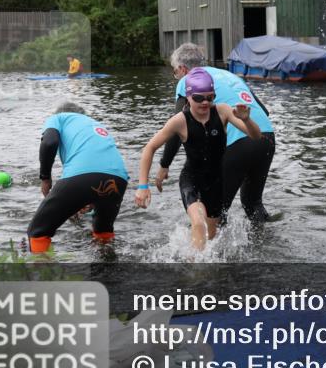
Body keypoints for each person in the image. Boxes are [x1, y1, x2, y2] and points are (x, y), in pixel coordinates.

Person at [135, 68, 263, 251]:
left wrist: (247, 120)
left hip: (216, 182)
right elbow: (150, 148)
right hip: (191, 179)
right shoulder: (179, 120)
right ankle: (196, 273)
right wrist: (142, 186)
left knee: (211, 238)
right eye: (199, 98)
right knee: (198, 222)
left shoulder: (223, 111)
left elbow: (256, 136)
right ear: (188, 97)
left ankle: (201, 266)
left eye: (210, 97)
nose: (205, 103)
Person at [158, 43, 277, 224]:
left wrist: (165, 164)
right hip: (266, 137)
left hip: (240, 142)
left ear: (182, 69)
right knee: (252, 204)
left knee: (215, 210)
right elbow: (263, 111)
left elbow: (178, 127)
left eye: (175, 72)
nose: (177, 76)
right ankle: (267, 245)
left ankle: (214, 252)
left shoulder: (187, 82)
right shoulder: (228, 75)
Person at [28, 102, 129, 253]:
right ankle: (107, 268)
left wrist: (45, 178)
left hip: (84, 175)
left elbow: (49, 143)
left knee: (37, 231)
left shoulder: (58, 118)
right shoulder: (95, 124)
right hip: (119, 178)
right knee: (102, 231)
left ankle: (44, 272)